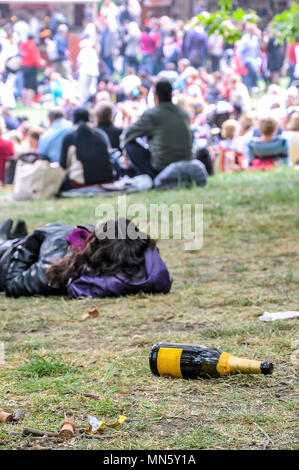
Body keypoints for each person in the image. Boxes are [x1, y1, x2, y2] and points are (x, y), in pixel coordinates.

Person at [0, 218, 172, 299]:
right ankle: (14, 238)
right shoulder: (132, 263)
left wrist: (33, 241)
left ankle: (12, 240)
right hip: (37, 253)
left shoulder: (56, 259)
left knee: (10, 245)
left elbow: (13, 283)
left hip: (8, 260)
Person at [120, 78, 193, 178]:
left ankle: (148, 178)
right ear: (171, 94)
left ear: (156, 97)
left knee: (130, 145)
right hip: (186, 163)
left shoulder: (152, 114)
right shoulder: (183, 112)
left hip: (161, 168)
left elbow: (126, 135)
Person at [59, 107, 114, 189]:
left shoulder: (69, 137)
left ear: (73, 120)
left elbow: (63, 165)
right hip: (107, 179)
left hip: (82, 182)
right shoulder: (101, 134)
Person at [20, 34, 43, 106]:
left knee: (25, 86)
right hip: (31, 67)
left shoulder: (23, 45)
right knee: (31, 86)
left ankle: (24, 102)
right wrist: (40, 64)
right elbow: (34, 58)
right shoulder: (32, 45)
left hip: (24, 66)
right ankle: (30, 103)